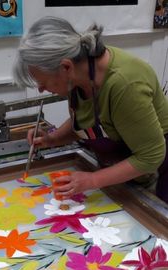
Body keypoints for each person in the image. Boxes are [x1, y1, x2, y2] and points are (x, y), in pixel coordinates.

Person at [13, 16, 168, 204]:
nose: (40, 89)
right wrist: (53, 138)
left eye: (43, 83)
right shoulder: (79, 76)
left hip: (154, 175)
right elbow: (91, 122)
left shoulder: (125, 84)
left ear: (65, 67)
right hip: (119, 174)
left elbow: (151, 156)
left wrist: (93, 180)